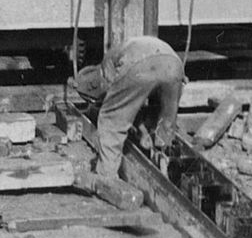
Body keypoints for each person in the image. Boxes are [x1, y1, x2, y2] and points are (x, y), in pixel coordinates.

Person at [68, 35, 186, 175]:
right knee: (166, 122)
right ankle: (166, 164)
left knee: (110, 119)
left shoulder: (106, 69)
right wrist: (143, 131)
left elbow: (121, 106)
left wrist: (108, 108)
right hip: (174, 66)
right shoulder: (117, 54)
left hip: (141, 63)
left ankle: (107, 174)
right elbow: (133, 102)